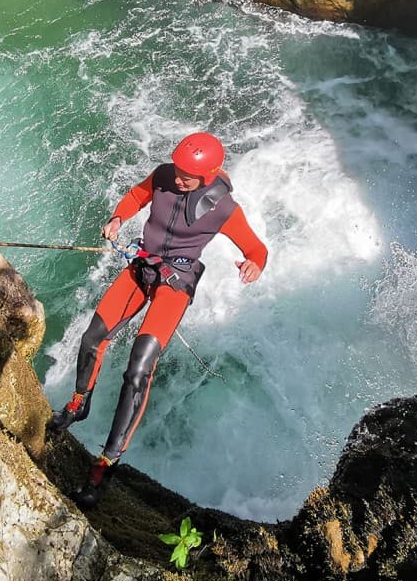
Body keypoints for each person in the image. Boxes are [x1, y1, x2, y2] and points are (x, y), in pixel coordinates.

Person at [47, 132, 268, 508]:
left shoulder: (225, 208)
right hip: (142, 267)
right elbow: (137, 195)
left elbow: (256, 247)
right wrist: (119, 217)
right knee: (91, 338)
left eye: (187, 175)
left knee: (139, 368)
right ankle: (77, 403)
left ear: (210, 175)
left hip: (175, 283)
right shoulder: (164, 175)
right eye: (178, 170)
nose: (178, 178)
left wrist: (253, 265)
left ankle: (105, 465)